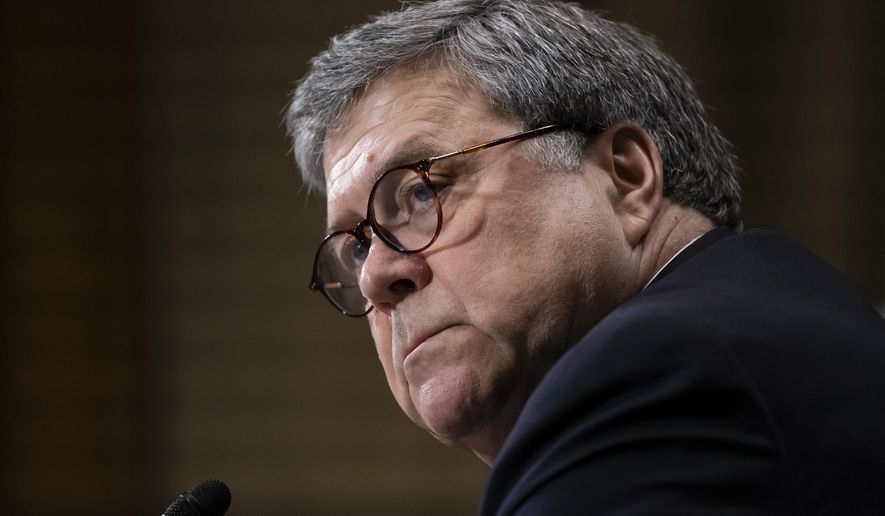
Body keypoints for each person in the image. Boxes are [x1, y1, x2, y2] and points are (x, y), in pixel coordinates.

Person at [285, 0, 885, 514]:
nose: (377, 277)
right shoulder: (764, 315)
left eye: (421, 191)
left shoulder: (660, 372)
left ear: (626, 179)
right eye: (358, 246)